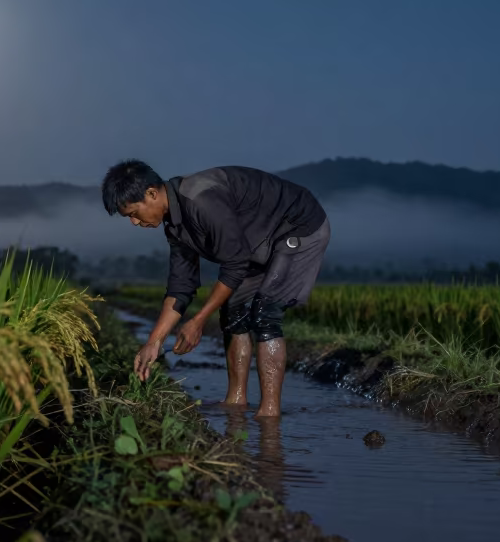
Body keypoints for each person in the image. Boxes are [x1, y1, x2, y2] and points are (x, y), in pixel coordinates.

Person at [101, 160, 330, 417]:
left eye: (133, 213)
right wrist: (153, 342)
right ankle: (236, 401)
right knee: (232, 311)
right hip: (257, 245)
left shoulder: (201, 199)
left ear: (152, 193)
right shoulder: (176, 227)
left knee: (265, 314)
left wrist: (198, 320)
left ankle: (269, 415)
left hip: (299, 227)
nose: (133, 222)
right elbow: (180, 287)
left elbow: (235, 262)